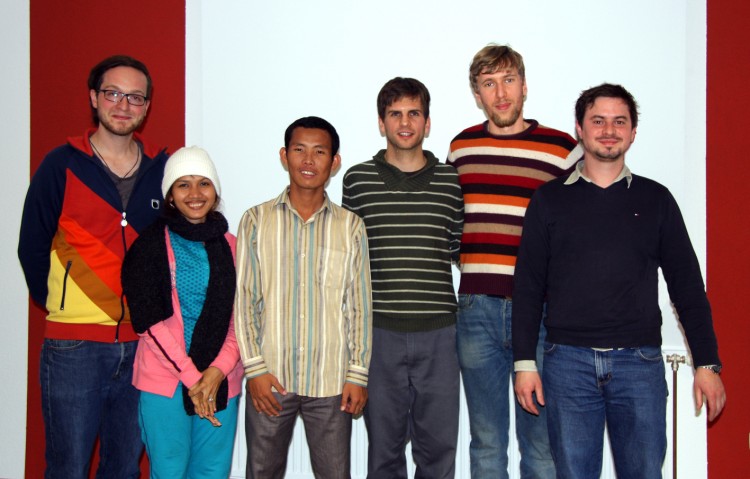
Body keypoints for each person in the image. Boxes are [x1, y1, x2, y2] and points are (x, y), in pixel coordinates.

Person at [512, 83, 727, 478]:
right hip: (567, 365)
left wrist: (707, 364)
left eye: (619, 122)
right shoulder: (548, 201)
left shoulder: (656, 200)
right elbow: (527, 287)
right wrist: (524, 362)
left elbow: (688, 288)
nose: (608, 130)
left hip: (639, 365)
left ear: (632, 132)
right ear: (580, 128)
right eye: (598, 121)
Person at [18, 55, 168, 478]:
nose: (123, 104)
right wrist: (64, 304)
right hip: (74, 348)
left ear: (146, 106)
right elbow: (31, 245)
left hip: (144, 344)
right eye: (112, 93)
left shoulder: (163, 169)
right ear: (94, 98)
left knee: (123, 468)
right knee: (67, 467)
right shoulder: (60, 165)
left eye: (135, 97)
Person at [446, 44, 580, 479]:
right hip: (476, 311)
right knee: (486, 442)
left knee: (540, 444)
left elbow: (581, 231)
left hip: (540, 314)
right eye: (489, 84)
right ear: (477, 94)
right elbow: (451, 224)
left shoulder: (562, 150)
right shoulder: (461, 148)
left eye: (508, 80)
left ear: (524, 86)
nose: (500, 93)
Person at [235, 116, 372, 478]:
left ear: (334, 162)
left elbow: (359, 307)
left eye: (319, 151)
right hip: (271, 379)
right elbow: (246, 299)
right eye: (299, 150)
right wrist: (255, 370)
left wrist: (357, 374)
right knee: (261, 473)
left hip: (330, 382)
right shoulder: (256, 220)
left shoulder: (351, 226)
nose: (308, 160)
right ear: (284, 156)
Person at [342, 77, 464, 478]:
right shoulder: (357, 180)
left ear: (428, 123)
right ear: (382, 122)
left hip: (440, 335)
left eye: (414, 113)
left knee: (439, 450)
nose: (405, 122)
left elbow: (459, 251)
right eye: (395, 114)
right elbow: (349, 261)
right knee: (384, 451)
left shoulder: (451, 181)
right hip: (379, 335)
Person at [121, 146, 242, 478]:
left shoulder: (234, 247)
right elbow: (149, 324)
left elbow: (242, 319)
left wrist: (215, 373)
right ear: (170, 195)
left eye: (203, 183)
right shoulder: (149, 247)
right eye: (183, 184)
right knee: (170, 470)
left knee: (212, 472)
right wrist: (194, 379)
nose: (194, 193)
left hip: (221, 383)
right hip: (165, 384)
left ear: (215, 191)